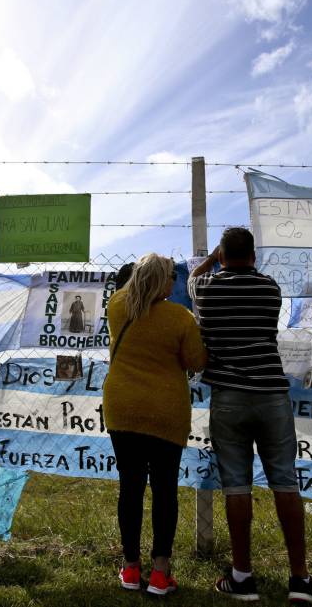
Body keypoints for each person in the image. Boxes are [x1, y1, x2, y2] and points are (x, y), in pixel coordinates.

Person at [189, 227, 312, 603]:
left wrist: (212, 259)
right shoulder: (270, 289)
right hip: (272, 394)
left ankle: (242, 575)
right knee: (284, 481)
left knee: (236, 485)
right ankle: (300, 578)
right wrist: (228, 257)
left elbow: (195, 279)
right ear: (254, 257)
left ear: (223, 256)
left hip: (229, 395)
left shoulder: (209, 289)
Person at [103, 253, 208, 596]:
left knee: (130, 488)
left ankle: (131, 568)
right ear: (162, 281)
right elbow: (195, 361)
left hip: (122, 407)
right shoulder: (181, 318)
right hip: (165, 411)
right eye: (171, 278)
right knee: (165, 491)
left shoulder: (117, 306)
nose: (175, 283)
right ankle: (161, 573)